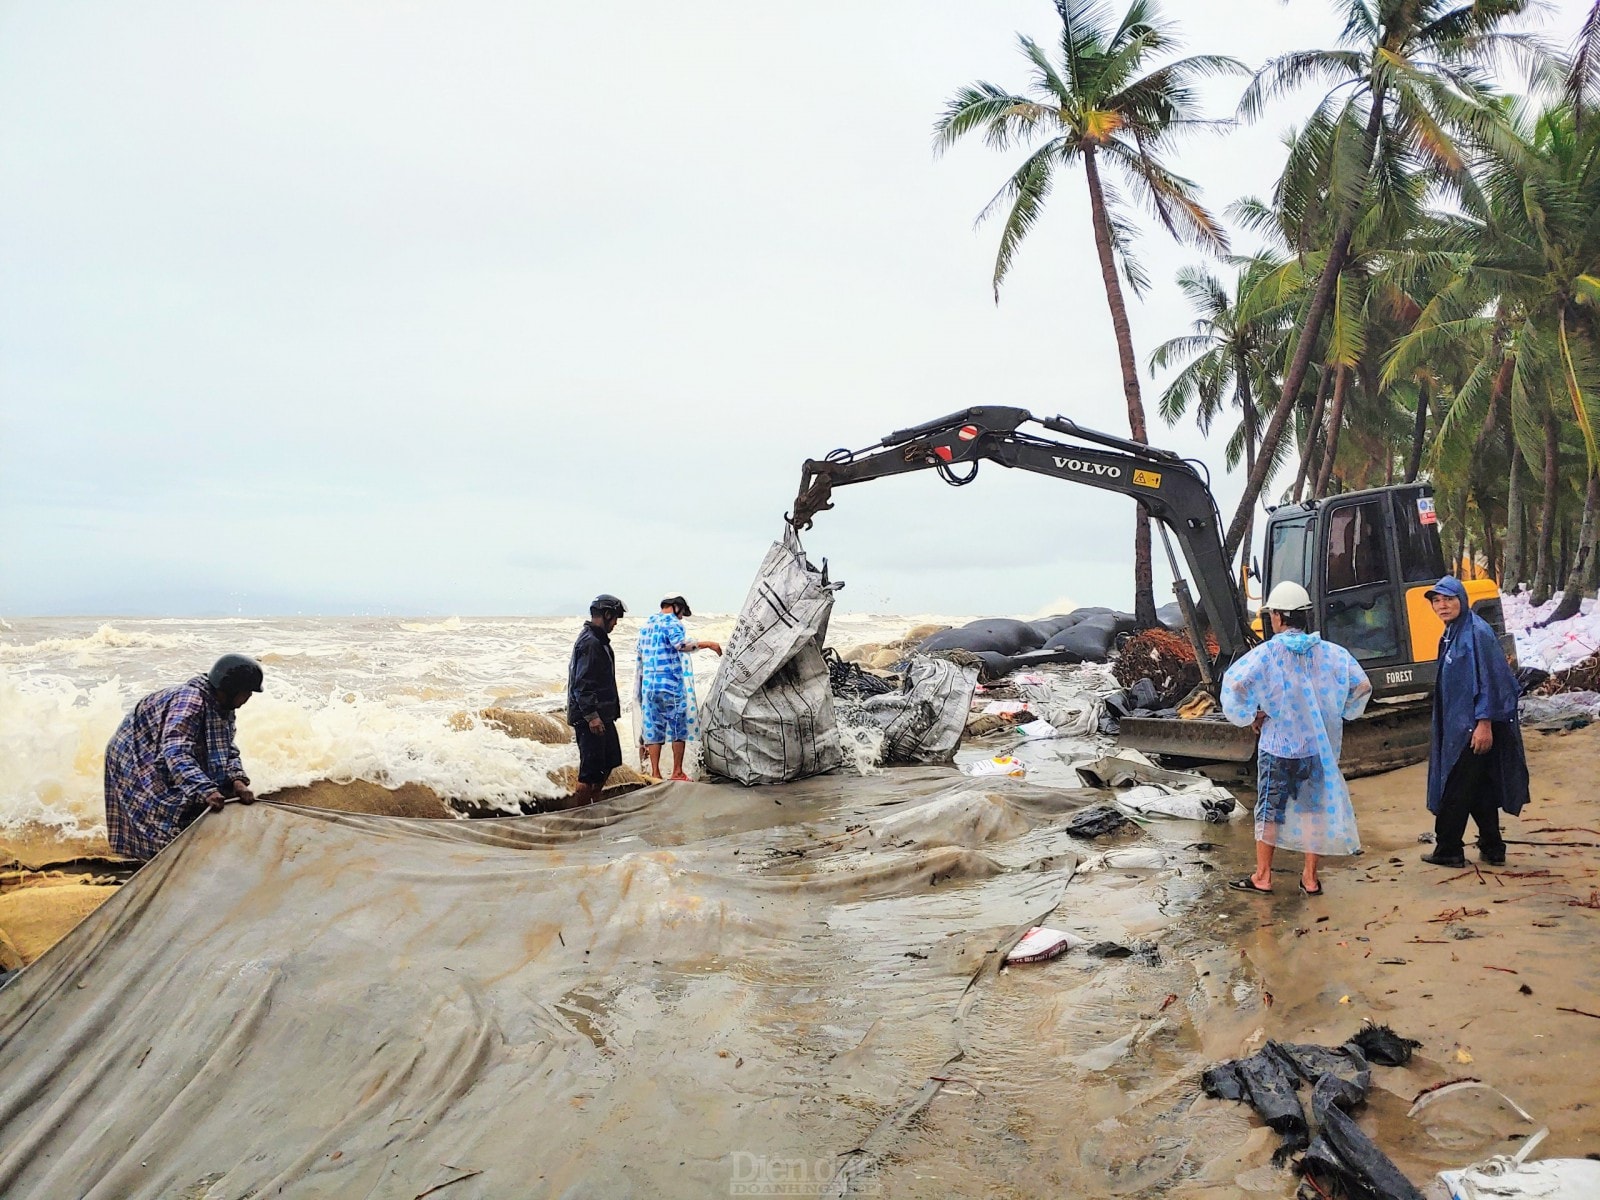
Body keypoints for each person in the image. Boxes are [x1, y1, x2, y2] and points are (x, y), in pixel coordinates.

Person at [1221, 581, 1373, 897]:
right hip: (1315, 748)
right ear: (1305, 615)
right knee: (1312, 812)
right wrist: (1337, 710)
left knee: (1270, 810)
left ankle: (1262, 877)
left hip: (1277, 747)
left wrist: (1255, 713)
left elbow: (1235, 686)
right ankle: (1310, 878)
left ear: (1277, 616)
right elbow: (1362, 686)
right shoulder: (1332, 654)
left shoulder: (1265, 655)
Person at [103, 654, 263, 861]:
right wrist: (206, 789)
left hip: (163, 747)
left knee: (204, 796)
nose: (249, 698)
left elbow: (227, 749)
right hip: (136, 752)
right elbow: (175, 751)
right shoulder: (190, 701)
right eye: (247, 692)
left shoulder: (224, 707)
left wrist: (238, 781)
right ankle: (156, 862)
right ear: (230, 689)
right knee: (159, 815)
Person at [1421, 576, 1529, 868]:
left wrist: (1484, 723)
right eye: (1437, 601)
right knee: (1478, 787)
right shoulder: (1452, 633)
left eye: (1448, 600)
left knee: (1455, 790)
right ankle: (1493, 847)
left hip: (1473, 729)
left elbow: (1494, 681)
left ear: (1462, 600)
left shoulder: (1477, 633)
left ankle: (1449, 849)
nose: (1442, 606)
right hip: (1459, 727)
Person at [635, 594, 722, 781]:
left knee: (653, 728)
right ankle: (677, 772)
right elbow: (681, 644)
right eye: (682, 613)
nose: (681, 617)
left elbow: (640, 656)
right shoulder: (672, 622)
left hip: (649, 686)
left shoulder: (647, 625)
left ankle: (655, 773)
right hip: (670, 685)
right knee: (677, 727)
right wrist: (708, 644)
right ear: (676, 607)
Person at [565, 594, 627, 806]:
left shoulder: (599, 641)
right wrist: (592, 717)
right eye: (615, 617)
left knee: (610, 760)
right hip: (590, 717)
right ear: (606, 614)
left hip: (603, 714)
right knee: (589, 772)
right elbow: (581, 684)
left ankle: (594, 801)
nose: (616, 623)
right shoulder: (590, 642)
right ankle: (580, 813)